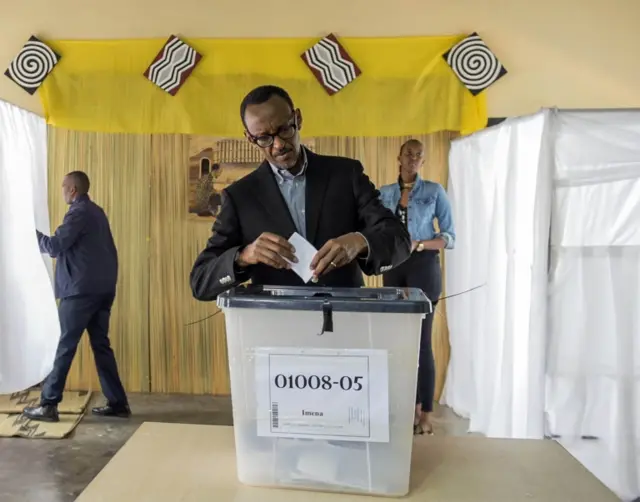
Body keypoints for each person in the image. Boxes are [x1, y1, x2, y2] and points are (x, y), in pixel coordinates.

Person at [190, 85, 411, 300]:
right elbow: (200, 283)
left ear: (298, 118)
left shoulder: (346, 175)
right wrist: (243, 256)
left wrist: (359, 241)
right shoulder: (239, 197)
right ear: (250, 138)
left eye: (285, 129)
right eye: (264, 138)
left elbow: (399, 240)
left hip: (345, 324)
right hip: (276, 330)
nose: (278, 145)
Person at [23, 171, 130, 422]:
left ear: (72, 190)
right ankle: (118, 403)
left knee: (62, 345)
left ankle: (48, 404)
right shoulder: (97, 212)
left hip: (81, 292)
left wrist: (26, 232)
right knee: (101, 345)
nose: (61, 191)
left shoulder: (79, 213)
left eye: (63, 187)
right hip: (102, 290)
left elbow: (54, 246)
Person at [378, 139, 455, 435]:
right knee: (399, 343)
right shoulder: (384, 194)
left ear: (423, 161)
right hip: (393, 269)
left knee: (422, 342)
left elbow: (450, 236)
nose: (413, 158)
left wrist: (419, 244)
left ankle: (426, 414)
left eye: (418, 155)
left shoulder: (434, 191)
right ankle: (406, 408)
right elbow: (375, 228)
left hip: (424, 267)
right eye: (408, 153)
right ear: (399, 157)